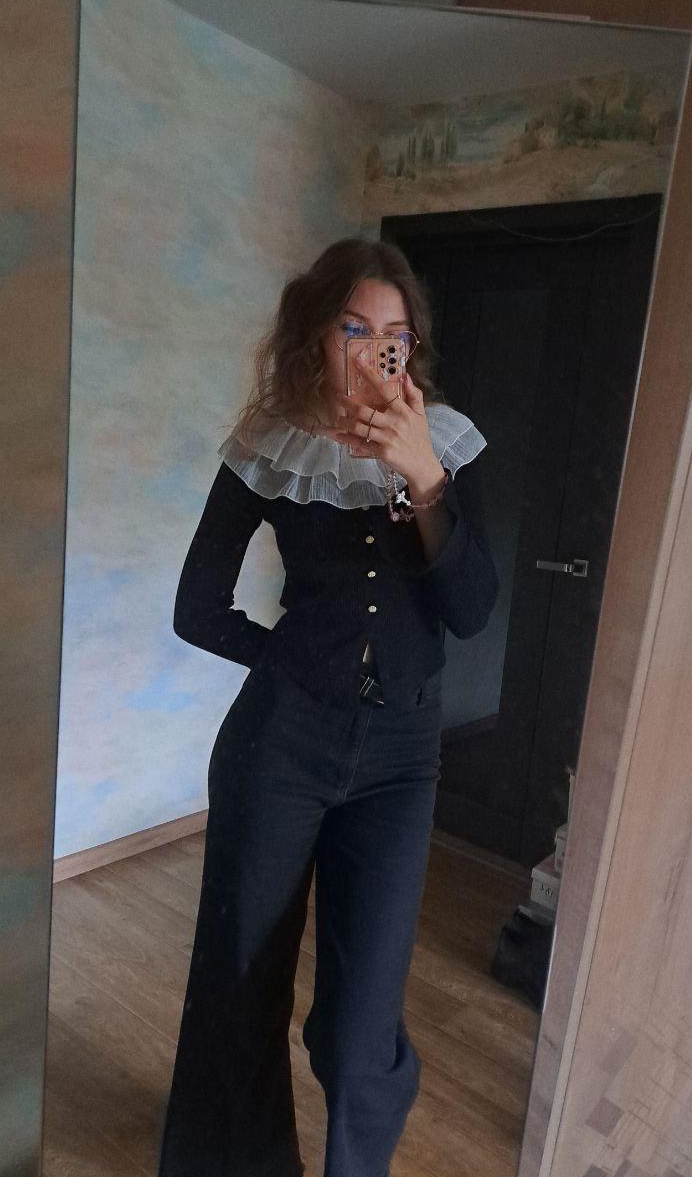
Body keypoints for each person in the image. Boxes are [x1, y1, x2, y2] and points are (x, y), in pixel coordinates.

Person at [157, 237, 498, 1177]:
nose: (377, 348)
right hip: (280, 745)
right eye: (355, 327)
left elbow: (472, 611)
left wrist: (425, 481)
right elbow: (196, 607)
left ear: (411, 347)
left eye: (395, 332)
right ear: (316, 335)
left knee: (360, 1030)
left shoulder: (444, 444)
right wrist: (293, 665)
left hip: (400, 761)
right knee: (238, 989)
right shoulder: (270, 445)